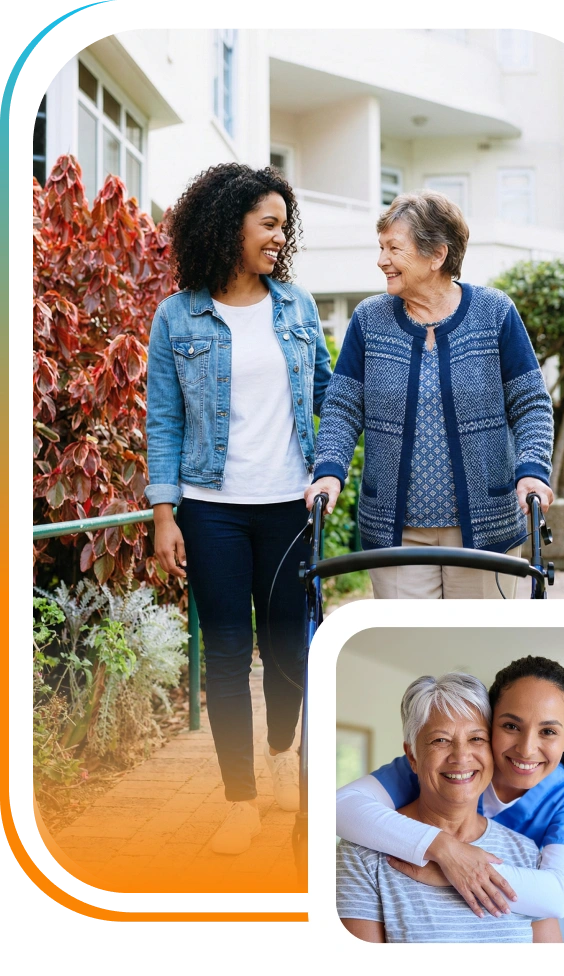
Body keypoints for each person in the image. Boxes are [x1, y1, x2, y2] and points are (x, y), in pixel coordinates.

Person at [144, 162, 332, 855]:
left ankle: (281, 756)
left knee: (287, 650)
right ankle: (238, 800)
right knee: (224, 655)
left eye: (284, 226)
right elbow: (163, 419)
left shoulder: (297, 308)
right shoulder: (178, 316)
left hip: (289, 506)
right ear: (229, 227)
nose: (280, 238)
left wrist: (334, 467)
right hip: (211, 509)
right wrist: (164, 513)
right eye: (268, 224)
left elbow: (330, 394)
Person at [305, 190, 554, 599]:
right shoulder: (369, 319)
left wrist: (532, 469)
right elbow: (342, 408)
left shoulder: (494, 312)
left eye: (394, 248)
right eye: (381, 247)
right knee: (407, 640)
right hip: (395, 531)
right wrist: (329, 471)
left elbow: (530, 404)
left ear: (437, 254)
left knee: (480, 639)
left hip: (486, 528)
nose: (381, 260)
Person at [336, 656, 564, 921]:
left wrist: (456, 871)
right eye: (511, 726)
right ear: (490, 722)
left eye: (549, 731)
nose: (527, 749)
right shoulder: (439, 765)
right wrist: (444, 850)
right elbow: (338, 806)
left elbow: (558, 896)